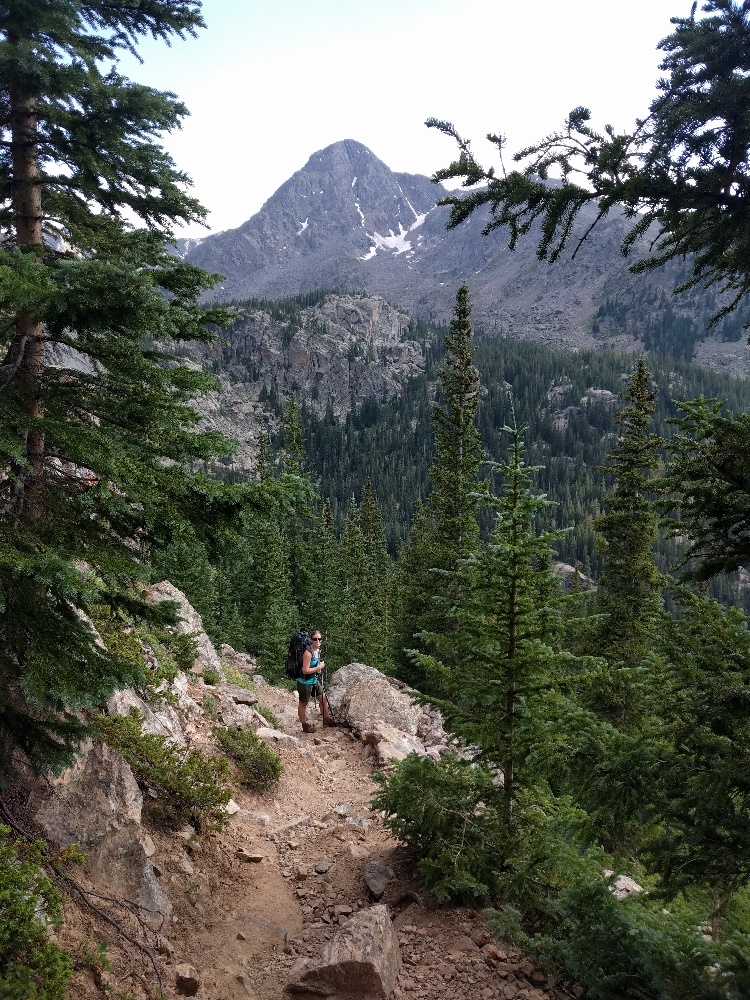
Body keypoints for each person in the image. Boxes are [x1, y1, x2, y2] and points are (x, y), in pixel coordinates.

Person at [297, 631, 335, 733]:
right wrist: (319, 667)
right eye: (315, 639)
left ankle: (326, 719)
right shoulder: (308, 653)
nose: (317, 641)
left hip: (313, 680)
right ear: (311, 640)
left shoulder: (317, 650)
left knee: (323, 699)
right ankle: (304, 725)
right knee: (303, 704)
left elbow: (313, 667)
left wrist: (317, 668)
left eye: (319, 639)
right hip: (304, 682)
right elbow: (305, 670)